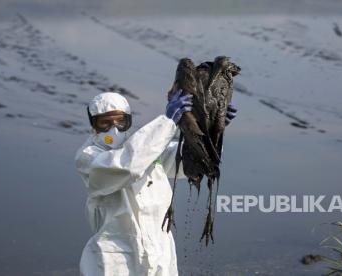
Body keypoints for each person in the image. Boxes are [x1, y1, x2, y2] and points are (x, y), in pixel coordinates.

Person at [74, 91, 237, 276]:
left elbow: (192, 162)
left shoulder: (149, 146)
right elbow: (128, 166)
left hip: (159, 247)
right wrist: (166, 123)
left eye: (121, 121)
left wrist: (212, 131)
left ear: (129, 120)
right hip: (117, 254)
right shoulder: (88, 157)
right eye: (104, 123)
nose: (114, 129)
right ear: (93, 125)